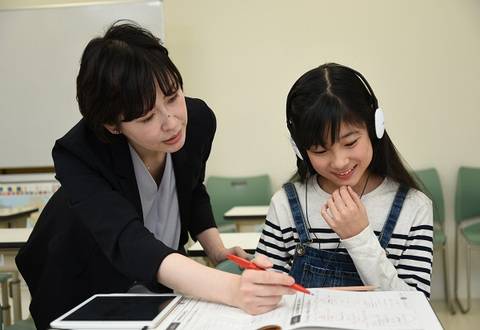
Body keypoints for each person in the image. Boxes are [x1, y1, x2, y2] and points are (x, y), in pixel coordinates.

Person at [16, 21, 294, 330]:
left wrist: (216, 249)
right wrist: (233, 290)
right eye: (148, 117)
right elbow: (128, 241)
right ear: (112, 124)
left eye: (173, 97)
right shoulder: (80, 155)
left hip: (151, 288)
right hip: (79, 284)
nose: (172, 122)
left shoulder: (198, 120)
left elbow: (191, 188)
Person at [256, 63, 433, 298]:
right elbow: (266, 295)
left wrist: (359, 237)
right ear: (300, 150)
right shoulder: (285, 205)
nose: (339, 162)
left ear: (375, 127)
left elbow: (415, 307)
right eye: (320, 150)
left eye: (350, 143)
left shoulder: (414, 207)